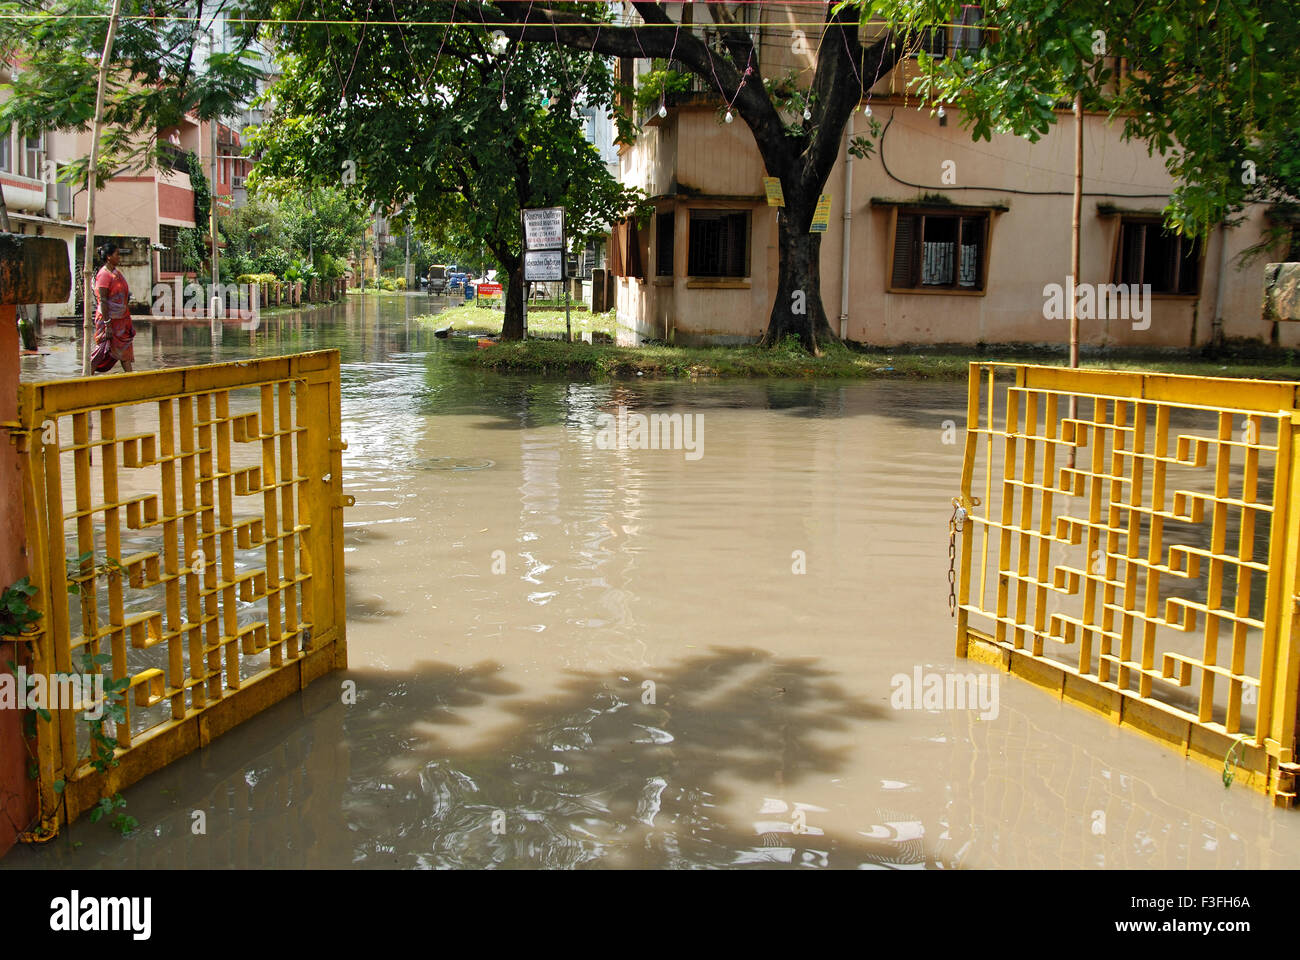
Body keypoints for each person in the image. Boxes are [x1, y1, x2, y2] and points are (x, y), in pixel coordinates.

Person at [92, 242, 135, 373]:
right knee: (101, 350)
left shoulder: (117, 273)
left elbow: (124, 297)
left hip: (121, 320)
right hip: (108, 319)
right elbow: (103, 300)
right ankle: (87, 376)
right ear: (109, 256)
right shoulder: (104, 275)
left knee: (125, 350)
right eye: (117, 254)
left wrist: (127, 321)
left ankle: (131, 380)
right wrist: (107, 324)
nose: (119, 257)